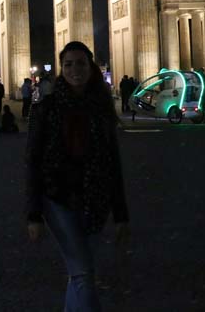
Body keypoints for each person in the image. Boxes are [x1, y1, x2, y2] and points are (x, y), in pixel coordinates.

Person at [26, 41, 130, 311]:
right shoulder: (45, 109)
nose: (75, 69)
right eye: (68, 64)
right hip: (58, 198)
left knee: (79, 274)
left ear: (91, 67)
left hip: (95, 200)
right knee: (83, 273)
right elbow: (32, 162)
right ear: (61, 69)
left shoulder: (102, 108)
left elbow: (112, 163)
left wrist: (120, 214)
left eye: (81, 63)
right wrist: (33, 214)